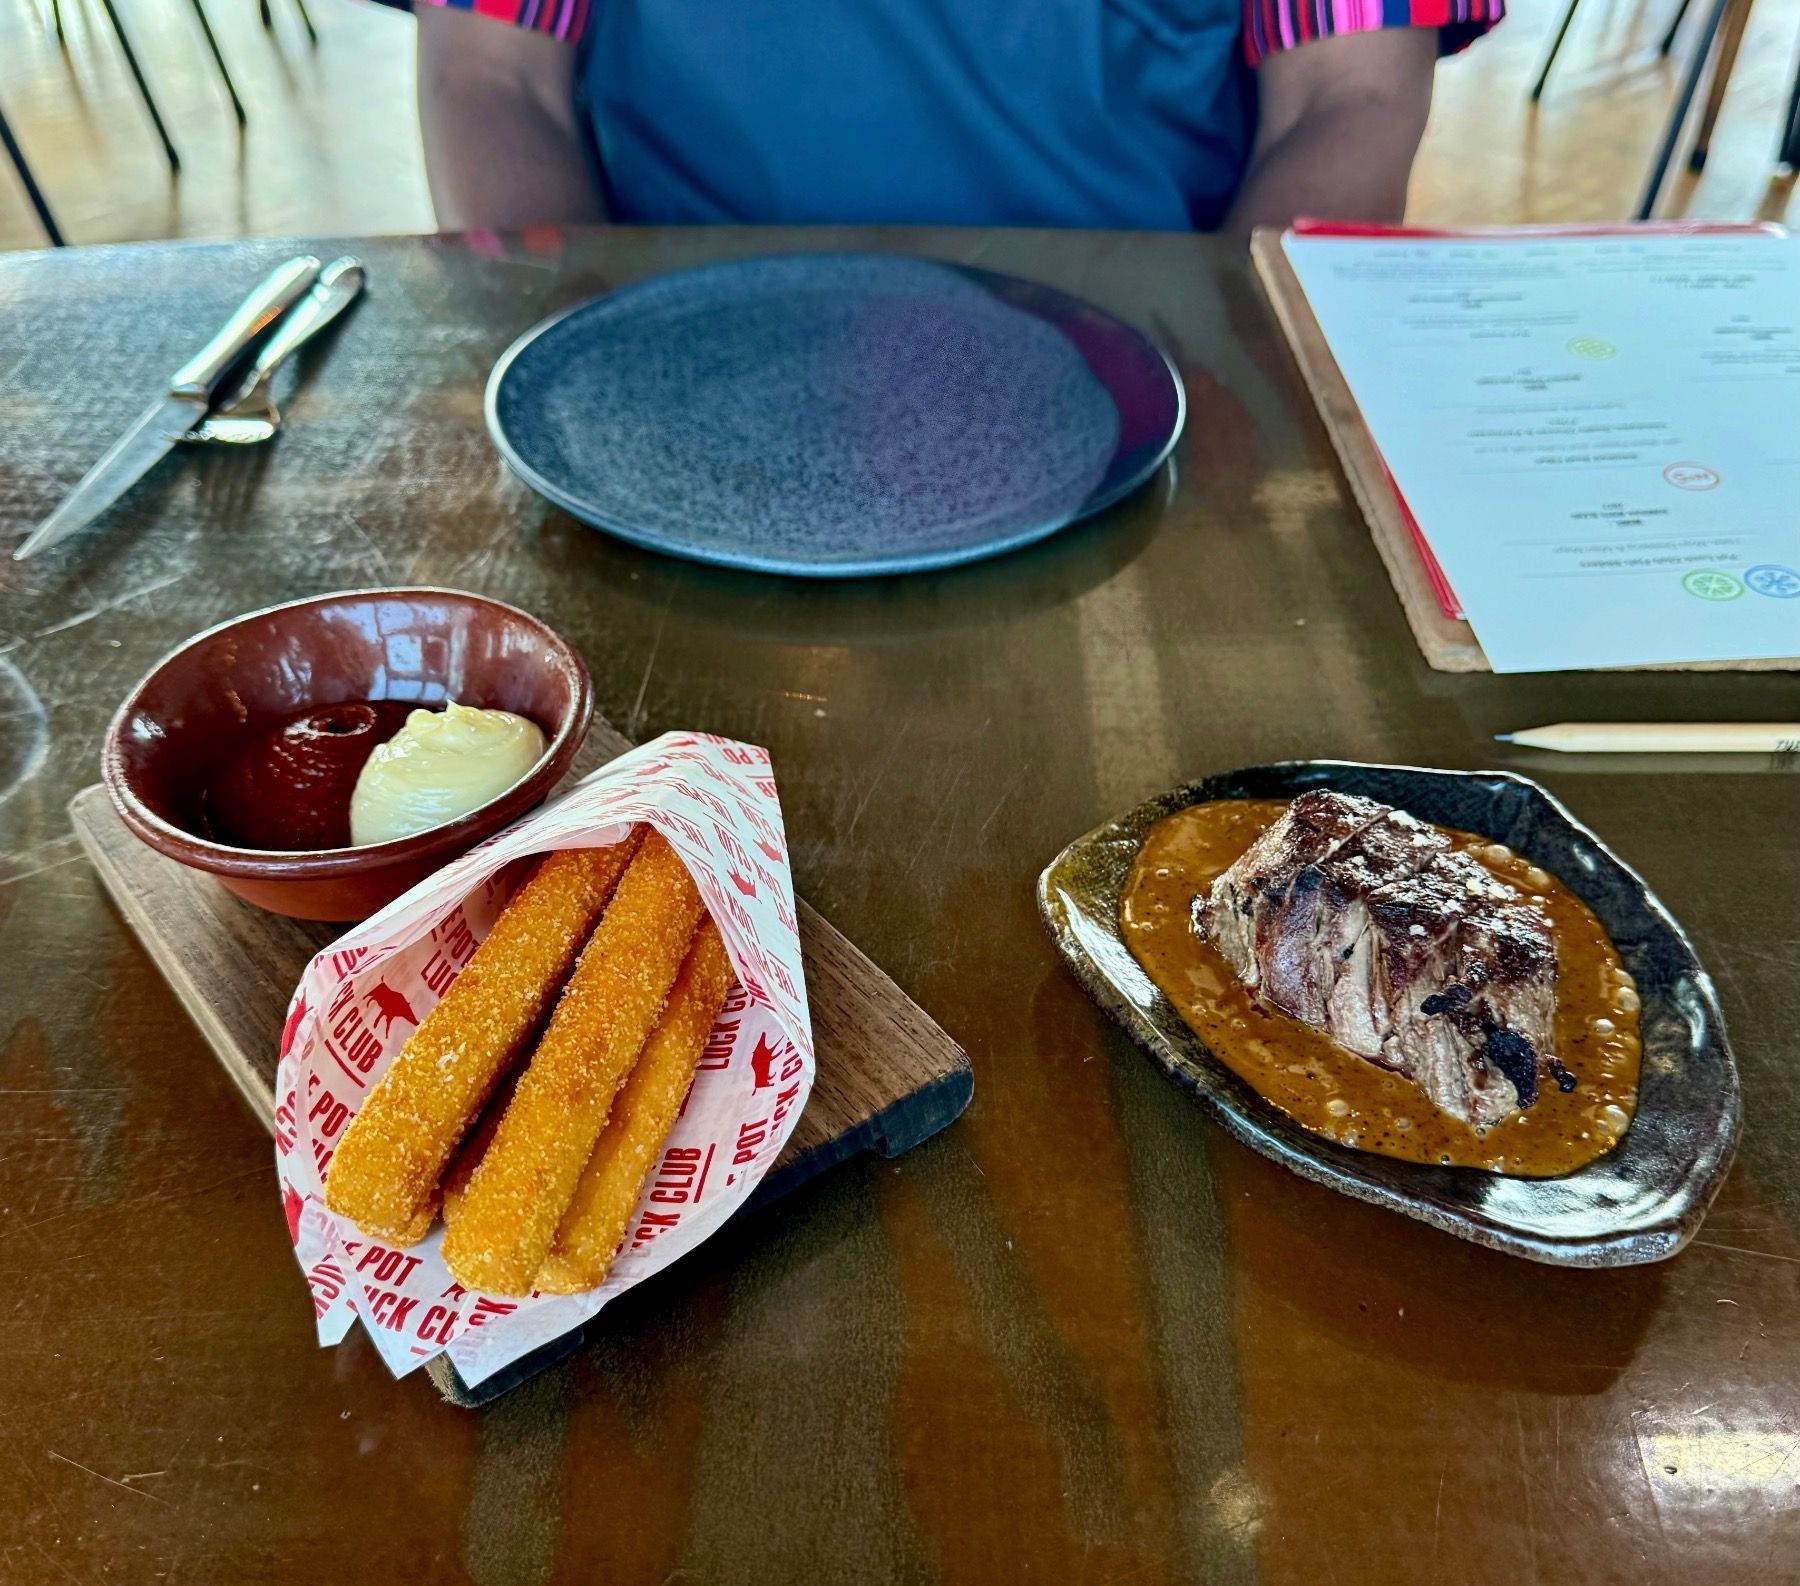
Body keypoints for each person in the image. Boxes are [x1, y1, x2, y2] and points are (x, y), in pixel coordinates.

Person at [406, 0, 1499, 236]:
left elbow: (1346, 91)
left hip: (1156, 354)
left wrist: (1232, 389)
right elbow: (491, 75)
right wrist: (562, 342)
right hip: (670, 321)